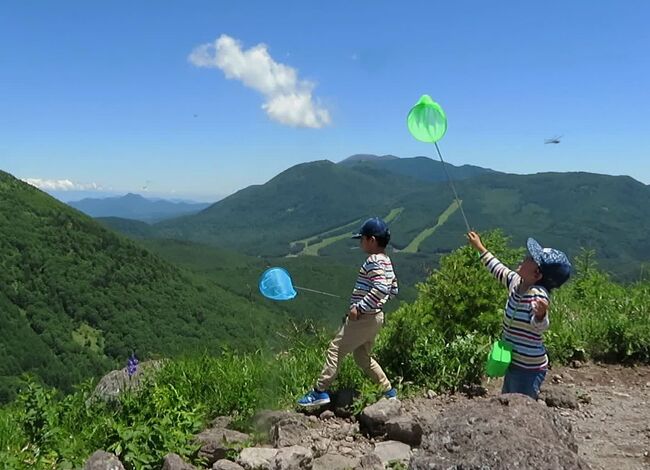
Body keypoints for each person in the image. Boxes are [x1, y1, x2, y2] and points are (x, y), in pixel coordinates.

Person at [298, 217, 399, 406]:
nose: (360, 242)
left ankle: (320, 391)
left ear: (372, 240)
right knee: (362, 357)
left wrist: (360, 308)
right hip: (377, 318)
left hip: (363, 318)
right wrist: (376, 305)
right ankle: (388, 391)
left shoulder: (373, 260)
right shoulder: (386, 260)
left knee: (335, 350)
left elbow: (382, 288)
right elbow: (393, 290)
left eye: (362, 239)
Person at [467, 231, 571, 399]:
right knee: (508, 399)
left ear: (537, 274)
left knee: (522, 405)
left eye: (531, 259)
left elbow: (541, 326)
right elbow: (498, 269)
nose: (526, 257)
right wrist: (480, 248)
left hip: (529, 369)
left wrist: (541, 314)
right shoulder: (517, 282)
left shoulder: (537, 295)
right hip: (514, 362)